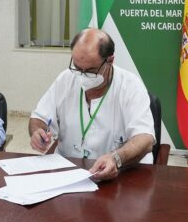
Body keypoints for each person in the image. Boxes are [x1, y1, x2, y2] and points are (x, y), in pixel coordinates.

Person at [29, 28, 155, 181]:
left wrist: (116, 158)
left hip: (119, 177)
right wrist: (37, 132)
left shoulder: (130, 86)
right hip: (67, 172)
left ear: (110, 60)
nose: (82, 76)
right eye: (77, 67)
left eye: (91, 71)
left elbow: (145, 139)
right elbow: (38, 118)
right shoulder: (66, 78)